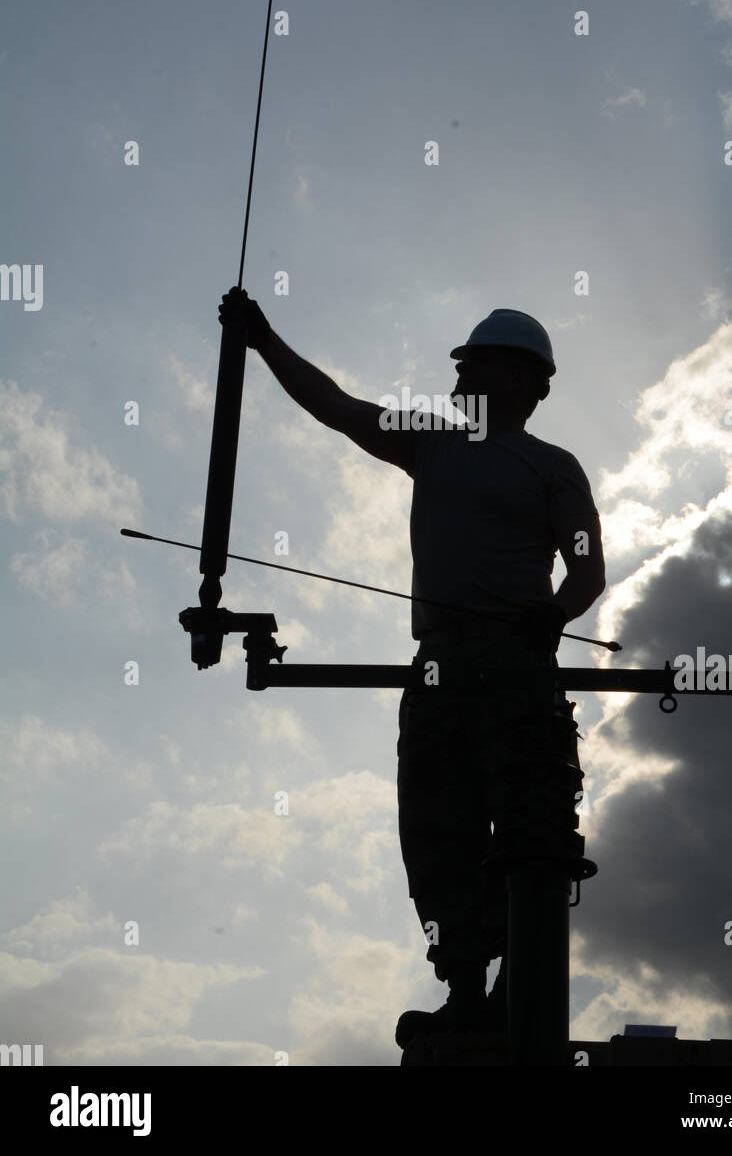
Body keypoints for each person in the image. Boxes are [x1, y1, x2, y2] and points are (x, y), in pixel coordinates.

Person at [218, 290, 606, 1046]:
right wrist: (263, 340)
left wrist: (555, 613)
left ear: (530, 383)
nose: (467, 375)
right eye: (467, 365)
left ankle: (514, 993)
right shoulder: (429, 442)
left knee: (529, 831)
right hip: (437, 669)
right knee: (438, 832)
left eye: (483, 365)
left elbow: (587, 567)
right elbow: (335, 405)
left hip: (518, 665)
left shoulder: (553, 468)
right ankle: (467, 992)